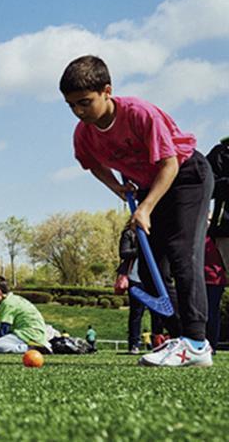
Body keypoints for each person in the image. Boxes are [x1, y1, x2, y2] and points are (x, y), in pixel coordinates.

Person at [61, 55, 215, 367]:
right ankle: (181, 338)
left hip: (186, 176)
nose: (78, 112)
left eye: (85, 102)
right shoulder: (84, 133)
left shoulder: (139, 113)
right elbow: (93, 164)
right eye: (71, 105)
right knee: (149, 270)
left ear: (107, 90)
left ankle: (197, 343)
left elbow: (169, 164)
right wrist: (117, 189)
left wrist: (145, 208)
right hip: (148, 184)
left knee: (182, 253)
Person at [115, 225, 178, 353]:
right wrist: (143, 250)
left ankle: (158, 341)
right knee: (136, 313)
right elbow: (123, 252)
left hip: (155, 278)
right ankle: (134, 344)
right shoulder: (130, 234)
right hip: (135, 278)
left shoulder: (158, 234)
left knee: (157, 313)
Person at [0, 276, 51, 354]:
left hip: (27, 334)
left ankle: (30, 348)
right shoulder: (13, 299)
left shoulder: (7, 304)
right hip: (35, 334)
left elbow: (3, 331)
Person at [205, 236, 225, 353]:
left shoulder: (212, 237)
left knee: (211, 312)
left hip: (214, 279)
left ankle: (211, 344)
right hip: (207, 278)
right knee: (209, 313)